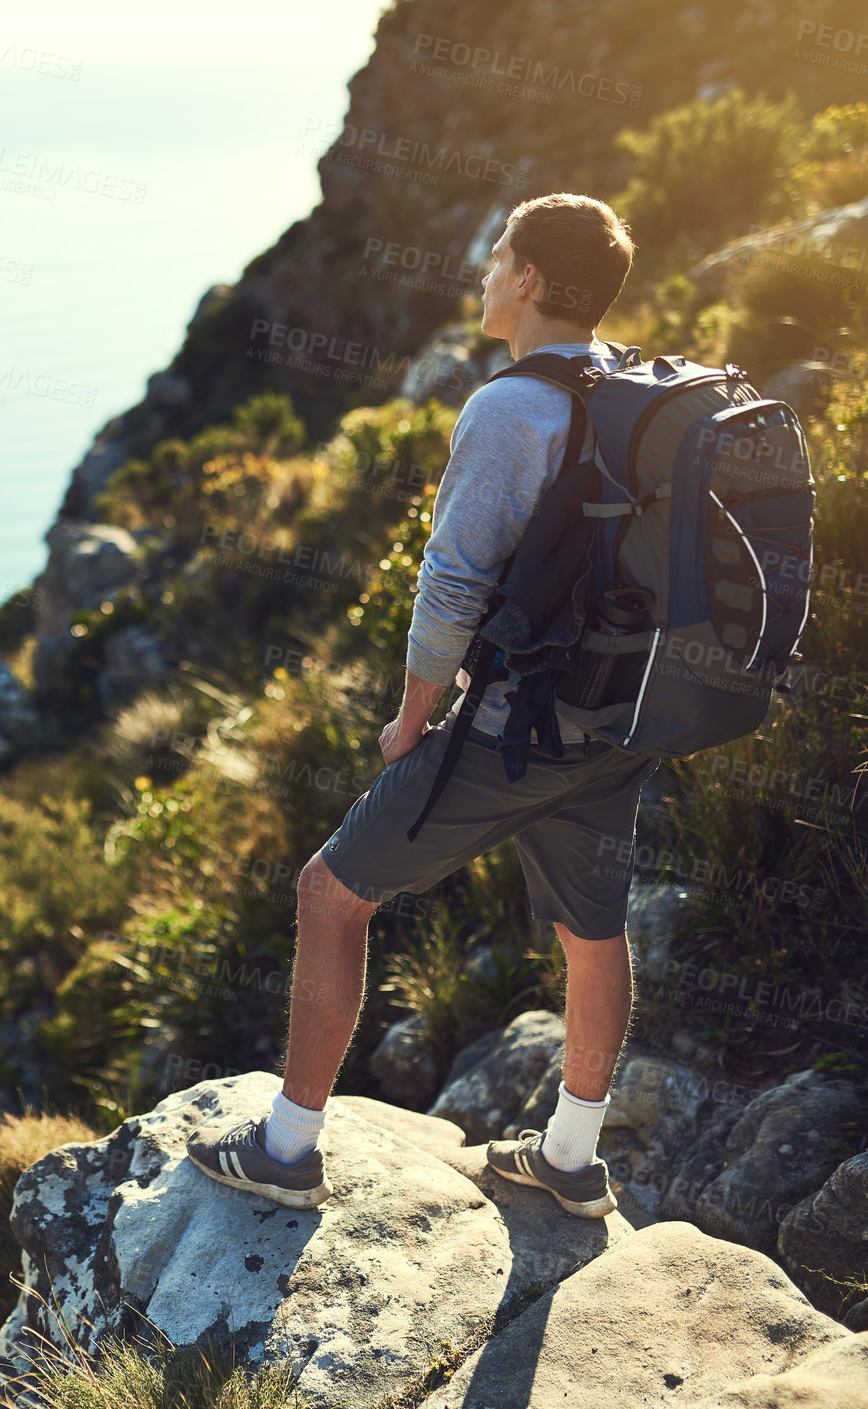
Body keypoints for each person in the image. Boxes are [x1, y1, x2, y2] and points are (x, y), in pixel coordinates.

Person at [186, 192, 654, 1218]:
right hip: (618, 717)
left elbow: (449, 584)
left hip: (513, 722)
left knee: (329, 893)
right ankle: (571, 1159)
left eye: (497, 256)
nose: (485, 274)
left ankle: (288, 1145)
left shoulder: (506, 406)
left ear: (528, 280)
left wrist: (411, 717)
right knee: (593, 930)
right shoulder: (635, 387)